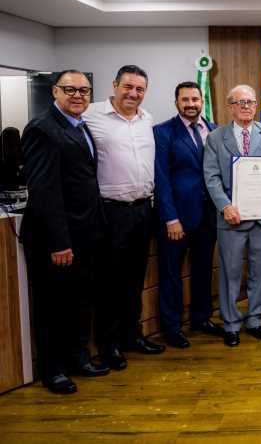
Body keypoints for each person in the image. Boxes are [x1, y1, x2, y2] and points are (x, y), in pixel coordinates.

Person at [20, 70, 109, 394]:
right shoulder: (43, 129)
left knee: (80, 302)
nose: (78, 96)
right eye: (70, 90)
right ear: (55, 91)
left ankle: (78, 358)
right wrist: (59, 242)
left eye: (84, 90)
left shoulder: (80, 125)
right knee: (53, 306)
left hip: (86, 233)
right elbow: (44, 190)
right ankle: (53, 370)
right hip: (57, 239)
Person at [84, 64, 164, 370]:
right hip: (110, 212)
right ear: (115, 84)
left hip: (143, 210)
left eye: (140, 89)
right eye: (128, 87)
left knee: (134, 279)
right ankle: (108, 345)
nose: (133, 93)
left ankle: (133, 335)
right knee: (109, 282)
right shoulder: (91, 117)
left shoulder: (147, 119)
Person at [203, 85, 261, 347]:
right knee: (231, 272)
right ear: (230, 106)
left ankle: (255, 320)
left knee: (259, 271)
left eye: (250, 102)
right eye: (240, 102)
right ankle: (231, 324)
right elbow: (211, 176)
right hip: (232, 218)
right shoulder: (217, 137)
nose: (247, 106)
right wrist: (225, 206)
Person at [153, 81, 222, 349]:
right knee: (171, 273)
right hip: (177, 219)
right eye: (185, 100)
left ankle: (201, 318)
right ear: (176, 102)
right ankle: (172, 327)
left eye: (195, 99)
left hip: (208, 215)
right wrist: (171, 218)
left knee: (203, 269)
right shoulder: (163, 132)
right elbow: (161, 178)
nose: (191, 104)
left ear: (202, 100)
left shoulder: (214, 131)